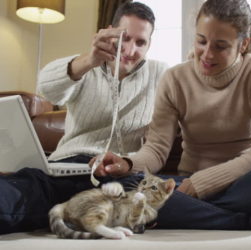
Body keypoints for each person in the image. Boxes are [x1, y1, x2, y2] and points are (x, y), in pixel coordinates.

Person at [92, 0, 251, 231]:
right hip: (188, 182)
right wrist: (127, 163)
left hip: (245, 181)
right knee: (118, 186)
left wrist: (198, 186)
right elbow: (156, 149)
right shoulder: (174, 79)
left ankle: (194, 212)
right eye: (201, 41)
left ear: (243, 44)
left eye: (220, 46)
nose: (207, 54)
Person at [0, 2, 168, 235]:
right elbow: (47, 89)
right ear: (109, 32)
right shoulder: (85, 64)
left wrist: (126, 163)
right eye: (125, 38)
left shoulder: (161, 74)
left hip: (117, 179)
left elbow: (164, 137)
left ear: (150, 43)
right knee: (14, 195)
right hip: (64, 168)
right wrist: (90, 59)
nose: (130, 50)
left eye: (141, 42)